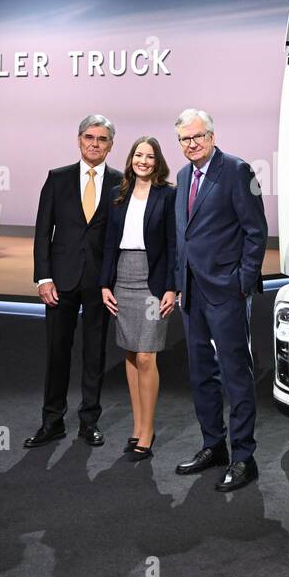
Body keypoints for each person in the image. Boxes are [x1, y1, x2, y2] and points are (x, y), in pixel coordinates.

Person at [171, 108, 268, 491]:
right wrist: (180, 281)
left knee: (236, 375)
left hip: (226, 292)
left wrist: (242, 282)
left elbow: (255, 231)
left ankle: (244, 457)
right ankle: (214, 446)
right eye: (184, 139)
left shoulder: (237, 170)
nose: (191, 144)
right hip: (192, 292)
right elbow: (187, 235)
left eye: (197, 137)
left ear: (211, 136)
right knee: (201, 375)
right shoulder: (182, 176)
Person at [25, 115, 122, 449]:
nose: (94, 144)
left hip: (99, 283)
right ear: (79, 140)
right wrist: (44, 278)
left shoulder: (119, 183)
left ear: (111, 144)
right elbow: (42, 232)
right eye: (89, 137)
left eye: (102, 139)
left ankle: (88, 422)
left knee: (94, 353)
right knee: (57, 352)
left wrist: (113, 281)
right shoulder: (57, 179)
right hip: (60, 282)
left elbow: (117, 237)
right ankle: (51, 422)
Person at [100, 136, 178, 462]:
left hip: (153, 279)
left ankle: (148, 431)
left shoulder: (168, 195)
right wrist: (105, 284)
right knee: (131, 356)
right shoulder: (118, 195)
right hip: (122, 278)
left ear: (157, 162)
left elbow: (175, 244)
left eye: (149, 156)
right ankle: (137, 427)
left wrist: (173, 287)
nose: (143, 161)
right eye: (138, 155)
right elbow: (108, 243)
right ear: (130, 158)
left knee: (146, 357)